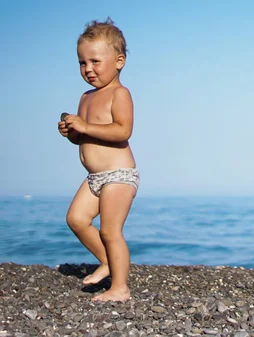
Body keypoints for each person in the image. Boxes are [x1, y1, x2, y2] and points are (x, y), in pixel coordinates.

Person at [57, 18, 139, 302]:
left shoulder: (119, 93)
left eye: (95, 61)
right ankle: (107, 263)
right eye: (82, 63)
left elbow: (122, 130)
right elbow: (85, 138)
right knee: (76, 219)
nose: (88, 69)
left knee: (110, 230)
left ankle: (120, 288)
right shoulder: (85, 97)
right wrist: (72, 133)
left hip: (118, 174)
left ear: (119, 61)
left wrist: (85, 126)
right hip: (95, 177)